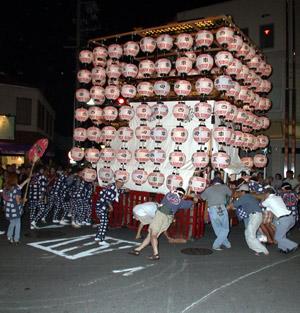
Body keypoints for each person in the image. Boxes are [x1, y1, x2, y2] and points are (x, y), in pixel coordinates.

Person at [129, 187, 197, 260]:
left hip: (161, 214)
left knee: (153, 234)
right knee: (151, 235)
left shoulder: (168, 194)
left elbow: (172, 193)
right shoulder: (181, 202)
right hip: (168, 219)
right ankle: (138, 249)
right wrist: (194, 200)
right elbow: (190, 203)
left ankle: (156, 254)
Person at [231, 184, 269, 256]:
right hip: (255, 215)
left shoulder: (245, 197)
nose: (239, 193)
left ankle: (264, 250)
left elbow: (234, 205)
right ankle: (258, 249)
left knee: (251, 234)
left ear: (243, 191)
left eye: (239, 192)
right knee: (248, 232)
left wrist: (233, 198)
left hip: (255, 215)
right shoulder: (249, 196)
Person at [199, 177, 232, 251]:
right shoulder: (224, 187)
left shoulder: (208, 189)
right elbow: (231, 194)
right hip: (221, 208)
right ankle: (216, 245)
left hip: (212, 210)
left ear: (213, 183)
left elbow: (202, 198)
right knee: (225, 228)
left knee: (217, 228)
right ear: (221, 182)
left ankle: (227, 244)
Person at [262, 187, 298, 254]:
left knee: (278, 237)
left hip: (284, 220)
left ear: (267, 193)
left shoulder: (269, 200)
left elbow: (261, 204)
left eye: (264, 194)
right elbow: (269, 208)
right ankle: (283, 249)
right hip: (291, 218)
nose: (264, 195)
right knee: (282, 234)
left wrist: (263, 198)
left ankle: (293, 245)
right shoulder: (278, 197)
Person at [95, 178, 128, 245]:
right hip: (102, 206)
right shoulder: (111, 188)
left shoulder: (113, 187)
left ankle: (98, 237)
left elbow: (118, 191)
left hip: (102, 206)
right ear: (116, 182)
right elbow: (106, 198)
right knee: (104, 223)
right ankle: (101, 240)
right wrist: (111, 206)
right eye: (120, 183)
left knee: (103, 222)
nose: (121, 185)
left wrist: (125, 191)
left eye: (122, 184)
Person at [2, 173, 24, 244]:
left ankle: (9, 236)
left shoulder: (6, 187)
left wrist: (27, 180)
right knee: (17, 224)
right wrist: (23, 200)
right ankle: (16, 239)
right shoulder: (17, 189)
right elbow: (18, 201)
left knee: (12, 223)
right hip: (15, 209)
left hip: (8, 209)